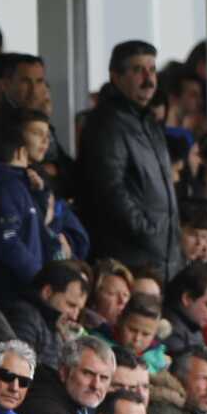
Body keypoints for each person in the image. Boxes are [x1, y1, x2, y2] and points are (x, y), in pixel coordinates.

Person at [79, 41, 181, 275]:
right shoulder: (107, 123)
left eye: (152, 70)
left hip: (160, 253)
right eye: (138, 70)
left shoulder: (148, 122)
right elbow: (109, 188)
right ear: (116, 76)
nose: (148, 78)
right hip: (129, 258)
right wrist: (147, 231)